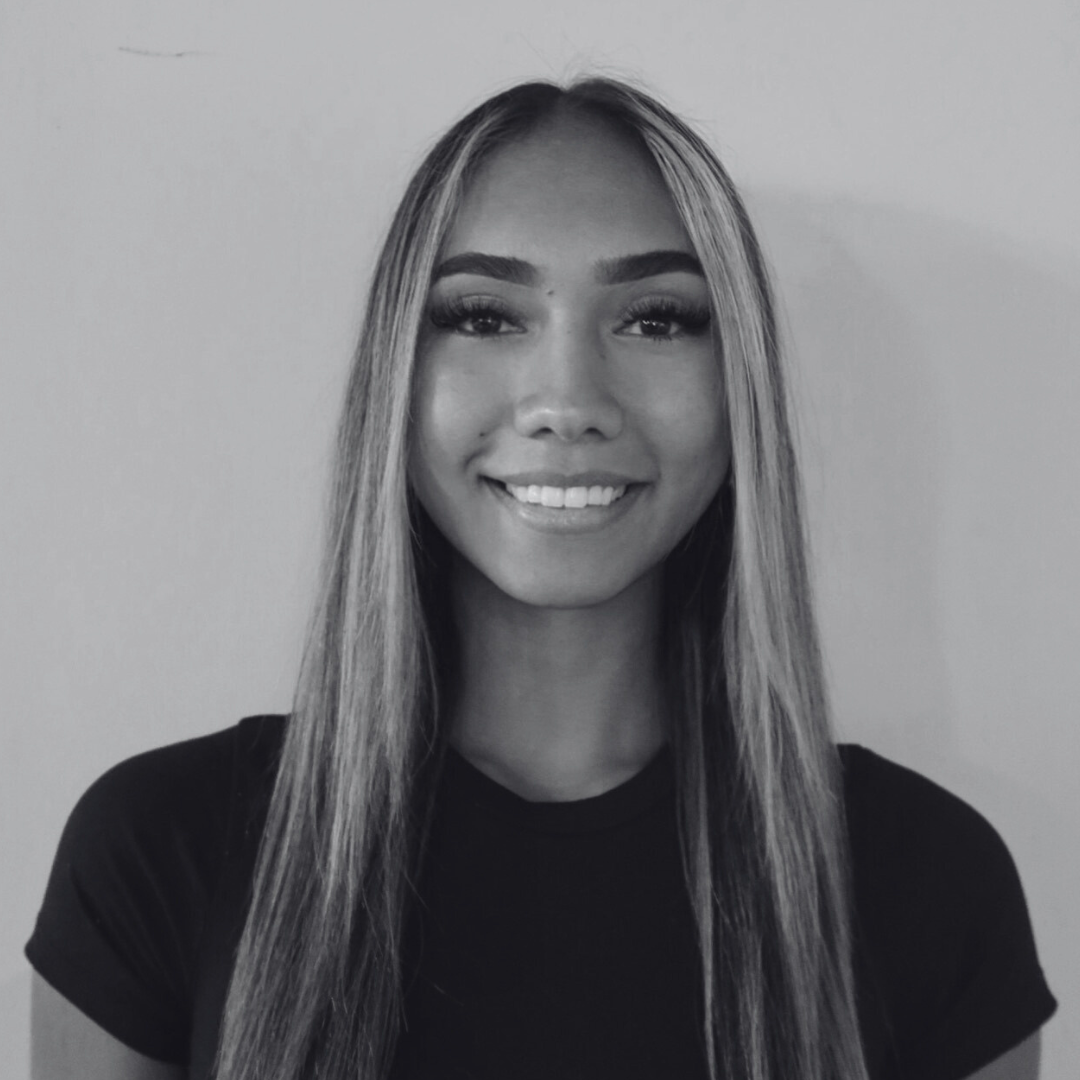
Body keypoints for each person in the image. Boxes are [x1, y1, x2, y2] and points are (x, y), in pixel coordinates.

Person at [26, 77, 1057, 1080]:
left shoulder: (929, 883)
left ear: (736, 382)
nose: (567, 400)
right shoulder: (161, 852)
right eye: (484, 315)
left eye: (655, 318)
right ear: (398, 370)